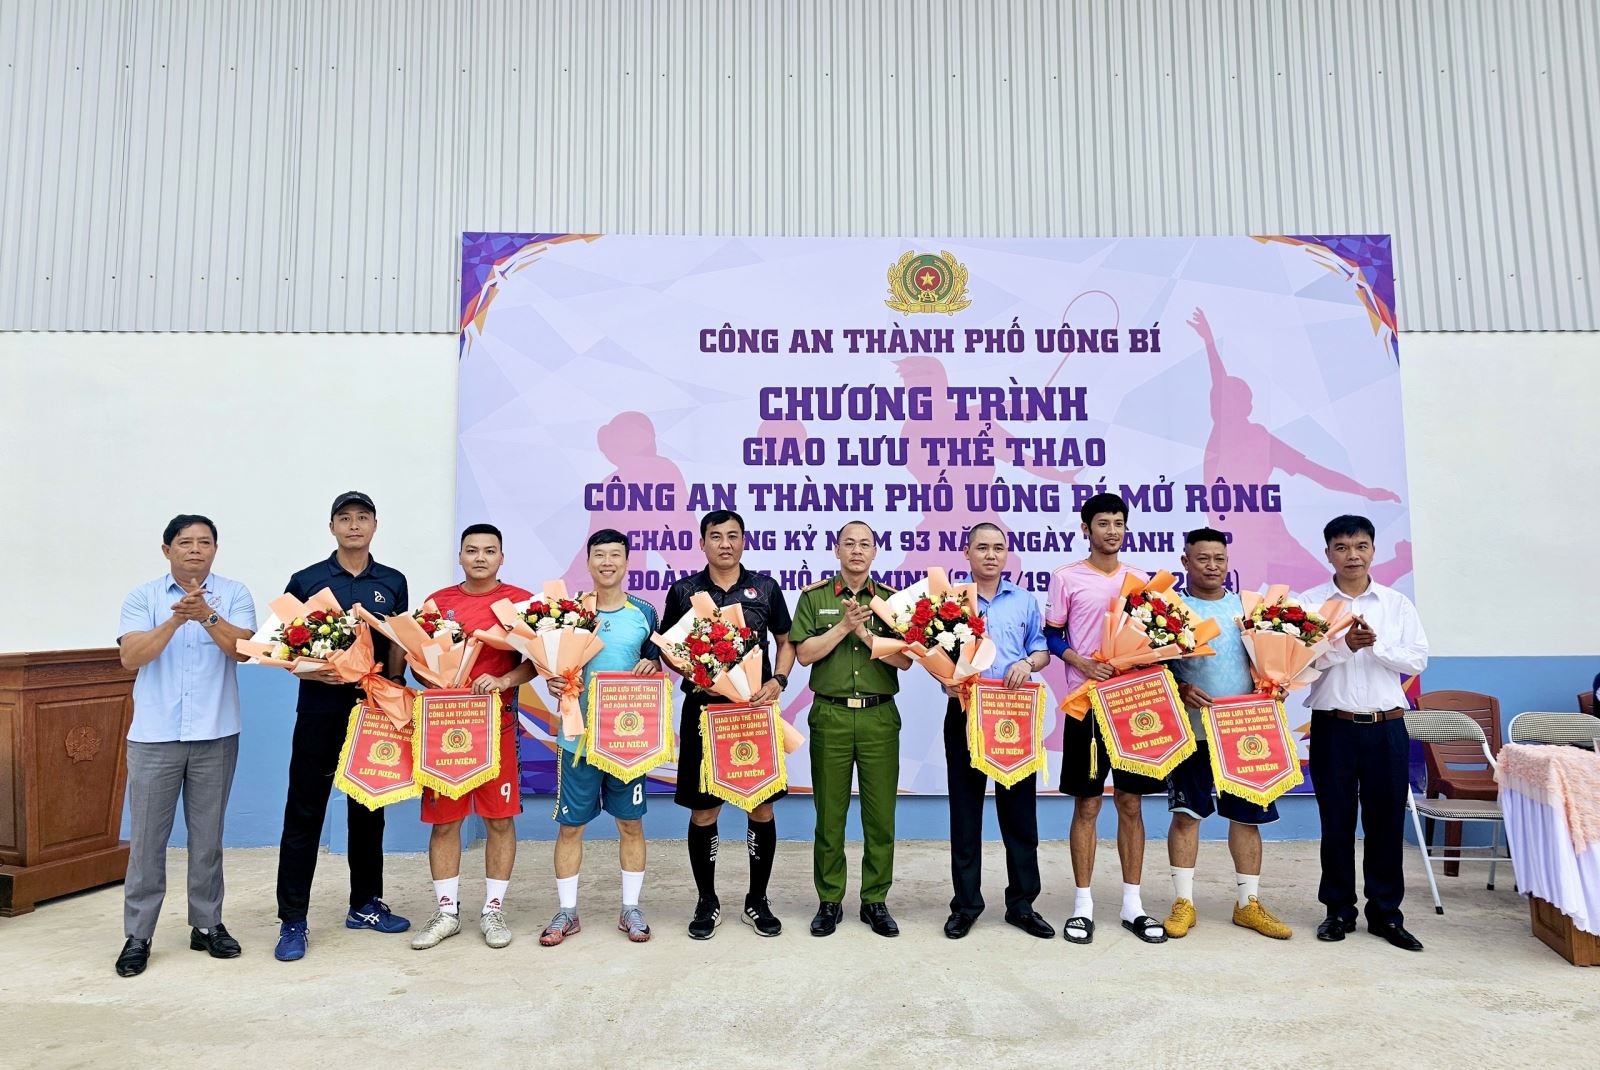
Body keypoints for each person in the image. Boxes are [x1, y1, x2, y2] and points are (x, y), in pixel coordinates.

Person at [113, 515, 257, 977]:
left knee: (208, 838)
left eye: (204, 542)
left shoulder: (234, 594)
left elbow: (244, 650)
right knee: (147, 843)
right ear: (167, 550)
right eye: (185, 542)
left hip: (216, 732)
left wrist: (207, 615)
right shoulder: (143, 597)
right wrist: (176, 619)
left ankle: (207, 924)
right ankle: (139, 935)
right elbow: (131, 656)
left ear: (215, 548)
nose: (195, 549)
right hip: (154, 736)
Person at [274, 491, 411, 962]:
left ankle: (366, 904)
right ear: (331, 526)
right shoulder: (307, 580)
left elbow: (399, 639)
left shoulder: (392, 581)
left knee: (369, 807)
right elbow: (282, 645)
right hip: (319, 709)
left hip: (373, 710)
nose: (354, 525)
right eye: (345, 518)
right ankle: (293, 920)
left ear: (375, 525)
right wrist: (314, 671)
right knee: (304, 810)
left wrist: (394, 685)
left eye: (363, 517)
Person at [662, 510, 795, 939]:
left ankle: (758, 900)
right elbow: (668, 646)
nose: (725, 543)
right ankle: (707, 901)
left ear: (743, 541)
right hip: (703, 711)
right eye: (716, 536)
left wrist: (778, 680)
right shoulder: (684, 590)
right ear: (702, 542)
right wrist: (691, 670)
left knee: (761, 806)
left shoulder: (765, 588)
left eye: (733, 536)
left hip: (753, 712)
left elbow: (785, 640)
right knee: (705, 811)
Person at [1302, 515, 1429, 951]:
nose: (1352, 555)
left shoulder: (1396, 605)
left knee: (1386, 823)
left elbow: (1417, 660)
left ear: (1373, 550)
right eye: (1341, 547)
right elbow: (1299, 665)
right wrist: (1342, 647)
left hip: (1386, 727)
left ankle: (1386, 915)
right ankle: (1338, 910)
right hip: (1332, 727)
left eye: (1360, 546)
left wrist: (1376, 645)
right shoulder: (1309, 604)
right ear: (1328, 553)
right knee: (1335, 822)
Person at [1046, 492, 1167, 946]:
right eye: (1103, 523)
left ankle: (1133, 904)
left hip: (1133, 703)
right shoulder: (1066, 578)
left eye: (1118, 523)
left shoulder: (1142, 580)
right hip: (1087, 703)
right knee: (1088, 804)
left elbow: (1157, 636)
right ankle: (1083, 906)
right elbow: (1052, 636)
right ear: (1086, 529)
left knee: (1132, 803)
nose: (1112, 531)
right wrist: (1081, 661)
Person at [1161, 528, 1292, 941]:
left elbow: (1272, 663)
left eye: (1219, 558)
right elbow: (1151, 667)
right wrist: (1180, 687)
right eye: (1202, 558)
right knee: (1187, 815)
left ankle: (1247, 904)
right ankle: (1184, 902)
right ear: (1185, 562)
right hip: (1193, 731)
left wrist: (1278, 683)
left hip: (1244, 731)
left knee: (1247, 819)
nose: (1212, 566)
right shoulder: (1169, 610)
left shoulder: (1248, 610)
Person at [410, 524, 533, 951]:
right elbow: (417, 662)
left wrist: (504, 679)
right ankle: (446, 912)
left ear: (502, 557)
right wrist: (437, 678)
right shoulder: (437, 604)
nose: (480, 557)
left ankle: (493, 911)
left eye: (489, 550)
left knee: (499, 819)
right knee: (446, 821)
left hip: (498, 727)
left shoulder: (519, 603)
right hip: (447, 730)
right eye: (472, 550)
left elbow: (537, 662)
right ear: (460, 556)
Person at [540, 528, 663, 946]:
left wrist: (652, 668)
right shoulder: (570, 612)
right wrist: (552, 681)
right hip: (576, 739)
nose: (607, 562)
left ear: (627, 562)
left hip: (627, 741)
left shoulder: (644, 612)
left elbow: (655, 664)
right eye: (599, 555)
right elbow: (551, 665)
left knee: (630, 823)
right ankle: (567, 912)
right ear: (588, 561)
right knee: (570, 827)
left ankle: (631, 908)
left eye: (615, 555)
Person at [793, 521, 911, 938]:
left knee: (880, 816)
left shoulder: (893, 600)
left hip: (879, 716)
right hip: (832, 715)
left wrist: (866, 633)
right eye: (849, 543)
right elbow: (804, 654)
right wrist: (844, 627)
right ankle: (829, 900)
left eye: (865, 544)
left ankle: (875, 900)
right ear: (837, 549)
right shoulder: (815, 597)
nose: (857, 551)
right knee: (830, 815)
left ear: (875, 552)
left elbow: (905, 660)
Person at [942, 522, 1053, 940]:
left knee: (1020, 814)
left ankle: (1022, 904)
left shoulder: (1024, 600)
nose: (991, 555)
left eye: (998, 548)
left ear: (1007, 555)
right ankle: (966, 905)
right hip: (965, 711)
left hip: (1012, 713)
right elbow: (935, 652)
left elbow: (1041, 649)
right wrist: (946, 680)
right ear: (967, 553)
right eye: (982, 548)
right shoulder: (951, 602)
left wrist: (1028, 663)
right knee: (965, 814)